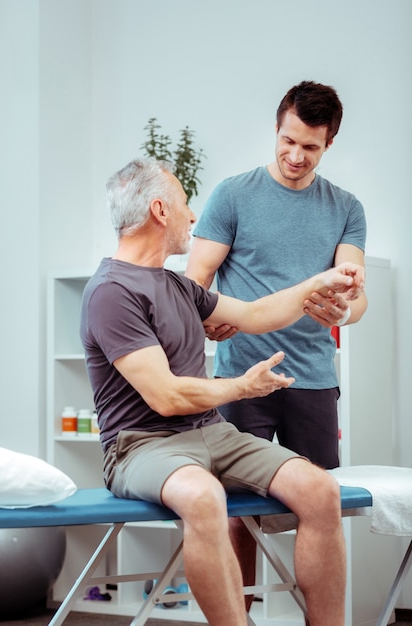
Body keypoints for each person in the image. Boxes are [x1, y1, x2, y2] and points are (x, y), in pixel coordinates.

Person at [80, 157, 365, 626]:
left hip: (210, 434)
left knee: (319, 490)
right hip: (141, 444)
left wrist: (319, 282)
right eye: (185, 203)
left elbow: (255, 315)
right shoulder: (112, 291)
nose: (193, 216)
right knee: (202, 496)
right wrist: (241, 386)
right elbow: (166, 397)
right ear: (159, 210)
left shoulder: (176, 285)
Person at [186, 81, 368, 607]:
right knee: (236, 511)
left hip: (313, 377)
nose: (294, 155)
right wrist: (206, 321)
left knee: (321, 505)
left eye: (310, 147)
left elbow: (358, 298)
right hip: (242, 375)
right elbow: (197, 281)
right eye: (288, 140)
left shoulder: (346, 208)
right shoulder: (233, 194)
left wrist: (345, 310)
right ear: (276, 127)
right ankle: (239, 617)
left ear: (329, 144)